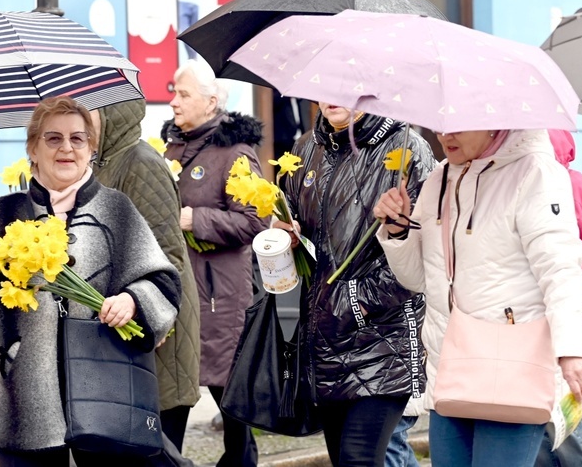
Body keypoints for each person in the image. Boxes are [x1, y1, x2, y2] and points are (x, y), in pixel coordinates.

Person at [0, 96, 181, 467]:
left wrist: (133, 301)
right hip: (25, 397)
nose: (66, 148)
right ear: (33, 149)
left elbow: (163, 282)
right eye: (53, 139)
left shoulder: (116, 210)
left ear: (91, 149)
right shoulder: (6, 213)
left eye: (78, 139)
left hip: (105, 390)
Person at [373, 128, 582, 467]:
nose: (445, 133)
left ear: (494, 122)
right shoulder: (439, 177)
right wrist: (398, 230)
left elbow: (561, 270)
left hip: (512, 369)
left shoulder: (534, 171)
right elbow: (419, 279)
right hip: (450, 369)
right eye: (441, 124)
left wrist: (572, 350)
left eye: (460, 125)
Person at [276, 104, 436, 466]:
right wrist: (285, 235)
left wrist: (355, 299)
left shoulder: (407, 147)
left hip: (382, 337)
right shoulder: (306, 148)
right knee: (345, 459)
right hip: (324, 338)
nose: (329, 97)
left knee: (358, 457)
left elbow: (425, 254)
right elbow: (301, 228)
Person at [161, 59, 268, 467]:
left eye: (183, 94)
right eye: (173, 91)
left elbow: (255, 220)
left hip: (219, 296)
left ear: (211, 102)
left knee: (230, 403)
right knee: (173, 395)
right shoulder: (171, 148)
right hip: (180, 289)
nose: (173, 102)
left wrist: (196, 219)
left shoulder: (235, 152)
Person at [91, 99, 202, 457]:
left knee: (156, 457)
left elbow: (167, 258)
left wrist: (146, 313)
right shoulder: (100, 164)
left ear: (109, 113)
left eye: (85, 112)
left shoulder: (140, 164)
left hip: (156, 339)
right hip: (124, 338)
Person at [533, 129, 582, 467]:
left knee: (561, 412)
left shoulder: (579, 189)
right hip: (532, 316)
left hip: (573, 316)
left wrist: (577, 272)